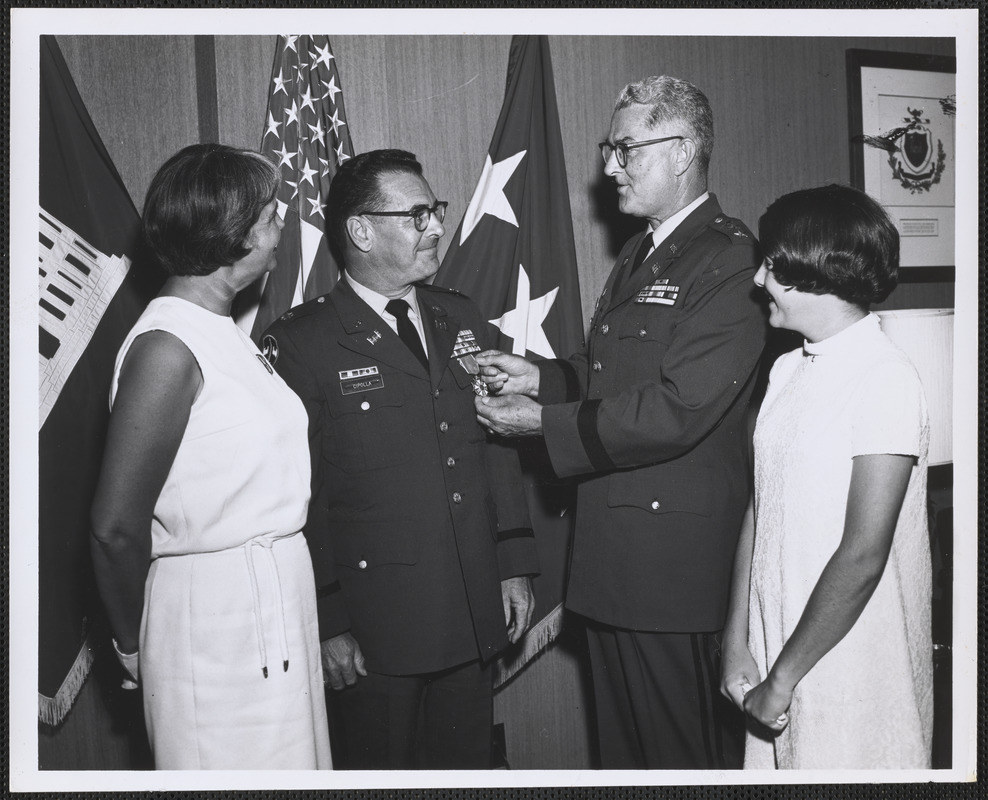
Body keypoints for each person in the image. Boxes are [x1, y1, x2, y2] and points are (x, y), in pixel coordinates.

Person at [473, 75, 766, 769]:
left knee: (675, 759)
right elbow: (607, 373)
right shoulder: (643, 249)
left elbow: (677, 409)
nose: (609, 167)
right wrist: (539, 378)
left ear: (683, 151)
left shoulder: (728, 259)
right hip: (612, 563)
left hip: (670, 574)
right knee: (625, 759)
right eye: (611, 149)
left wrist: (542, 425)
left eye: (625, 150)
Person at [261, 149, 538, 770]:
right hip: (374, 629)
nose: (437, 226)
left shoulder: (459, 315)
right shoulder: (302, 341)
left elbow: (494, 447)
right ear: (361, 230)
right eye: (417, 215)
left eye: (434, 211)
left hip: (468, 609)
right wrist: (327, 620)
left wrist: (513, 562)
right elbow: (297, 497)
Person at [89, 144, 332, 769]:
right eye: (271, 214)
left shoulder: (223, 332)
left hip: (276, 608)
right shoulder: (167, 347)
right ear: (232, 234)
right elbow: (115, 527)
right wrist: (131, 646)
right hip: (213, 628)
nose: (282, 227)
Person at [719, 184, 933, 769]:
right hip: (775, 652)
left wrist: (783, 680)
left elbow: (864, 553)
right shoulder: (787, 369)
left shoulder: (886, 378)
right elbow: (760, 510)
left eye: (771, 265)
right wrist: (736, 643)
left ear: (817, 272)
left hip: (846, 658)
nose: (758, 280)